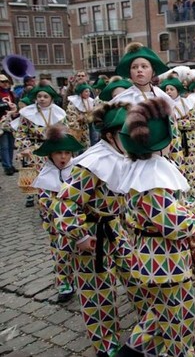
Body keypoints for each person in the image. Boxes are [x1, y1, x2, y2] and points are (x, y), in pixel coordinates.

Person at [52, 101, 144, 357]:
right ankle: (106, 346)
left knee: (137, 277)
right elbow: (64, 203)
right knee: (97, 292)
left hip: (116, 227)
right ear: (110, 135)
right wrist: (79, 235)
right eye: (127, 134)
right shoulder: (92, 164)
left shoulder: (124, 156)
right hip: (92, 235)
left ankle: (151, 330)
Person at [116, 98, 195, 357]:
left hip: (147, 256)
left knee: (159, 311)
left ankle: (133, 350)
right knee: (180, 317)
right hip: (165, 260)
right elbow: (172, 220)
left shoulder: (138, 170)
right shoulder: (153, 178)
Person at [32, 124, 84, 302]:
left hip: (78, 221)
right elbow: (45, 201)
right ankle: (64, 282)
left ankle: (83, 279)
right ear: (50, 155)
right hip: (55, 225)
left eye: (67, 153)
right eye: (58, 153)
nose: (63, 157)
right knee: (61, 253)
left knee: (81, 252)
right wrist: (59, 208)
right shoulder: (45, 176)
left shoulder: (78, 171)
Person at [12, 83, 67, 207]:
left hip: (53, 149)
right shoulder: (27, 114)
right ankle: (37, 200)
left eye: (45, 96)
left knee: (54, 177)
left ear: (51, 98)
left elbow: (66, 132)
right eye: (39, 96)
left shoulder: (59, 113)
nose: (42, 99)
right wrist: (25, 148)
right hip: (34, 149)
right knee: (37, 177)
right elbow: (21, 133)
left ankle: (54, 202)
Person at [160, 75, 195, 201]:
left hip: (189, 143)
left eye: (171, 89)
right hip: (173, 145)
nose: (169, 92)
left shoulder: (187, 103)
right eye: (166, 90)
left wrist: (178, 124)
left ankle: (193, 196)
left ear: (178, 90)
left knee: (191, 171)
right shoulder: (163, 106)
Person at [66, 83, 98, 149]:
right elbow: (71, 115)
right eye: (86, 91)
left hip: (91, 125)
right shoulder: (74, 102)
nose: (88, 93)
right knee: (81, 145)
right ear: (81, 92)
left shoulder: (91, 101)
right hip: (79, 127)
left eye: (89, 91)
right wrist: (78, 120)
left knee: (93, 141)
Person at [0, 74, 17, 175]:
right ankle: (7, 166)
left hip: (11, 122)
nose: (5, 83)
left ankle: (10, 164)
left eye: (7, 81)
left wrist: (14, 111)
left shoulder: (10, 93)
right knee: (4, 145)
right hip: (1, 122)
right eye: (3, 82)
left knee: (11, 144)